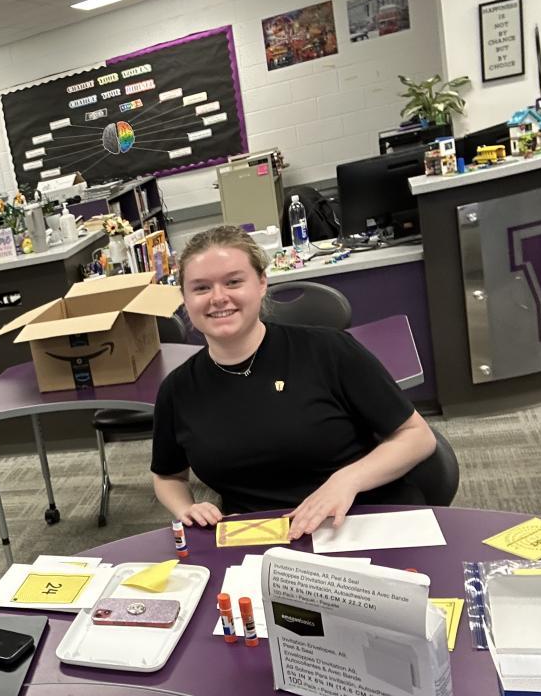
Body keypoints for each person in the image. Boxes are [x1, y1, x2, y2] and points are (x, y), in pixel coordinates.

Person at [152, 225, 436, 540]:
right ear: (185, 298)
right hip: (261, 539)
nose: (218, 298)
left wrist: (347, 480)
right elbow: (168, 476)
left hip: (362, 520)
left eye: (233, 282)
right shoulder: (178, 390)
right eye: (201, 288)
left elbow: (418, 437)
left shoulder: (328, 350)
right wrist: (186, 508)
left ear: (261, 283)